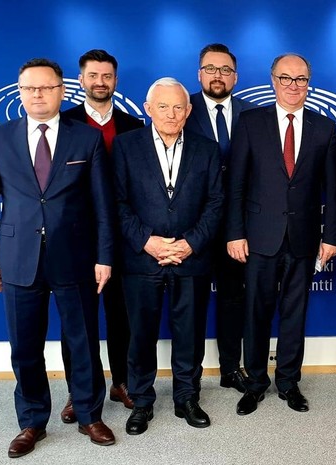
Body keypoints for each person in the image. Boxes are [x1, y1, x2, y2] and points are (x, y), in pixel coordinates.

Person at [0, 58, 117, 457]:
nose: (38, 94)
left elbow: (103, 207)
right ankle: (32, 421)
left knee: (83, 342)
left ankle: (89, 414)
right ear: (20, 92)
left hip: (75, 257)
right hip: (18, 259)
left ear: (62, 91)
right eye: (30, 88)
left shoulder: (85, 139)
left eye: (46, 87)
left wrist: (104, 257)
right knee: (24, 346)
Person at [226, 53, 336, 415]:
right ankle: (255, 383)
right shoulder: (250, 122)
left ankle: (289, 382)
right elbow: (236, 184)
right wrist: (235, 233)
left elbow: (333, 190)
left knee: (295, 313)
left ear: (309, 83)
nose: (294, 85)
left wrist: (331, 236)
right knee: (255, 314)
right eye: (286, 78)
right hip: (259, 237)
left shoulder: (324, 127)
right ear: (273, 81)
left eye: (301, 79)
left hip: (303, 238)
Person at [112, 78, 224, 435]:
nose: (171, 114)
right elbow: (117, 202)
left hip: (191, 258)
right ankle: (142, 401)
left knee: (189, 333)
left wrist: (190, 243)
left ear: (189, 110)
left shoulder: (207, 149)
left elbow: (216, 203)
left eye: (178, 107)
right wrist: (147, 241)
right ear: (148, 109)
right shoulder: (126, 146)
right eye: (163, 106)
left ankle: (187, 397)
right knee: (140, 335)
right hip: (142, 259)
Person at [59, 48, 144, 423]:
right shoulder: (64, 123)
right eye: (93, 75)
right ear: (81, 80)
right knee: (77, 321)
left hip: (123, 237)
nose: (100, 82)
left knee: (122, 315)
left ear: (116, 81)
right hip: (76, 237)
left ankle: (122, 382)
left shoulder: (133, 126)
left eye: (107, 76)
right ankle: (79, 391)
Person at [185, 43, 255, 393]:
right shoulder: (182, 109)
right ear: (199, 74)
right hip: (193, 226)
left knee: (232, 300)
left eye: (225, 70)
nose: (218, 75)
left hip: (236, 225)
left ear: (235, 77)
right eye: (211, 69)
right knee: (192, 304)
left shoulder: (252, 114)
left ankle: (230, 368)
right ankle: (190, 376)